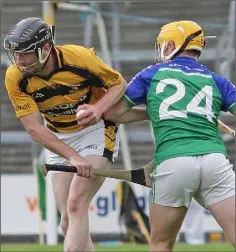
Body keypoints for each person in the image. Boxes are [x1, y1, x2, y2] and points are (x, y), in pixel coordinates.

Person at [101, 20, 236, 251]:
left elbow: (114, 113)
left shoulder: (152, 74)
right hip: (215, 161)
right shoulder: (217, 81)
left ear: (172, 44)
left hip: (173, 162)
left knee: (161, 244)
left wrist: (155, 112)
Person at [4, 17, 127, 252]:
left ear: (46, 49)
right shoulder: (15, 76)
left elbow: (118, 84)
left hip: (95, 132)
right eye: (16, 54)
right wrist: (72, 156)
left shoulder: (80, 58)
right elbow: (33, 128)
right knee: (68, 222)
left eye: (25, 53)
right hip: (58, 137)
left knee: (76, 204)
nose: (18, 61)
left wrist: (97, 109)